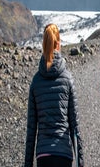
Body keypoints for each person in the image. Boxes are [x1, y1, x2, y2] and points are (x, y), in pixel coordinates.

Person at [24, 24, 84, 167]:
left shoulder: (36, 81)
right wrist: (80, 161)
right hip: (63, 153)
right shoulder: (67, 79)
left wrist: (27, 163)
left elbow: (31, 128)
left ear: (43, 44)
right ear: (59, 43)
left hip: (43, 155)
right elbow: (74, 124)